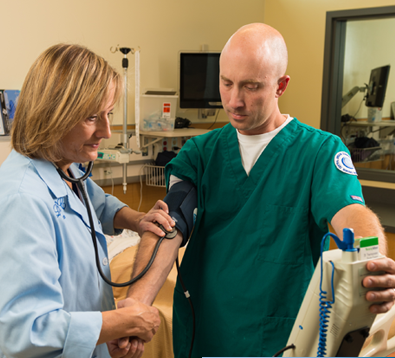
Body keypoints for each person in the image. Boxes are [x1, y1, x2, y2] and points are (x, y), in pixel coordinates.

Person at [116, 23, 395, 357]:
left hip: (282, 333)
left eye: (251, 87)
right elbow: (168, 225)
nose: (235, 100)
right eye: (227, 83)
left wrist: (372, 262)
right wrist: (134, 308)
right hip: (207, 330)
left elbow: (351, 214)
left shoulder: (318, 152)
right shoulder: (200, 153)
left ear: (281, 86)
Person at [0, 44, 175, 358]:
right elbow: (25, 332)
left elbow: (94, 201)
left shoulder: (64, 165)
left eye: (108, 115)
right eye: (92, 118)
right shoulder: (22, 201)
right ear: (52, 115)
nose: (106, 131)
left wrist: (136, 219)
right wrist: (121, 321)